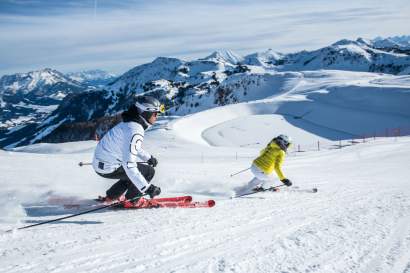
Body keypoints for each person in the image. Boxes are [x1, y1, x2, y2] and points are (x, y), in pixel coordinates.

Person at [92, 95, 165, 203]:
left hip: (100, 164)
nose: (157, 116)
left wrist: (148, 157)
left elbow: (130, 146)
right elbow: (129, 165)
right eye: (155, 113)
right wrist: (146, 188)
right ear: (146, 113)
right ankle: (132, 201)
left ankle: (111, 197)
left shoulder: (128, 123)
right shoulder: (135, 129)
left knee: (132, 174)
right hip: (108, 167)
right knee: (148, 171)